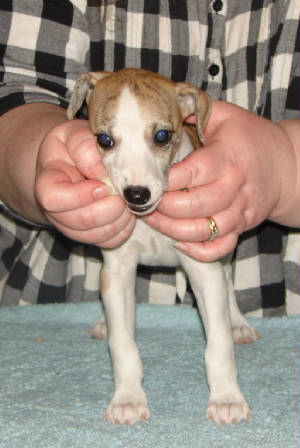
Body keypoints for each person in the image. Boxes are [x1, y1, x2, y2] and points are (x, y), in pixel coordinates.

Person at [0, 0, 299, 316]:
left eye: (160, 138)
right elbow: (15, 87)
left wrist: (285, 164)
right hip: (62, 296)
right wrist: (44, 162)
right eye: (106, 140)